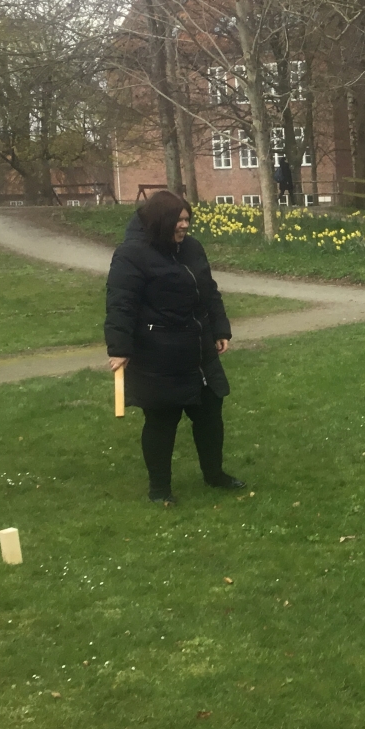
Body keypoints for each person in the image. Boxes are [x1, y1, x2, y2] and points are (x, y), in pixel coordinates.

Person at [105, 191, 246, 504]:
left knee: (210, 414)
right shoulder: (131, 254)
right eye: (178, 220)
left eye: (187, 219)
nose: (184, 225)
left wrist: (220, 328)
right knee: (161, 422)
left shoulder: (192, 248)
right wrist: (119, 347)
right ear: (161, 221)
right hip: (159, 353)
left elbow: (209, 291)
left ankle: (214, 475)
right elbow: (120, 304)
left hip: (198, 350)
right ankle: (160, 491)